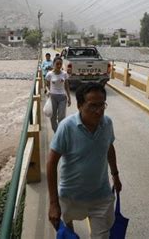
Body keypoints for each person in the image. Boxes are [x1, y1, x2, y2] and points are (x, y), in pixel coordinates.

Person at [47, 82, 122, 239]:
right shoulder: (66, 127)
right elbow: (51, 162)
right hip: (70, 196)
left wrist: (115, 175)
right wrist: (54, 203)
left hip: (101, 196)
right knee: (68, 229)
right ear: (80, 105)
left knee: (102, 236)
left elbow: (109, 147)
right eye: (93, 106)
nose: (99, 110)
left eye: (102, 105)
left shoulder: (107, 123)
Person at [45, 56, 71, 132]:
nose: (59, 66)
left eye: (60, 64)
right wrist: (48, 91)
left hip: (62, 98)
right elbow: (46, 85)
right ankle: (56, 132)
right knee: (52, 118)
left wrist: (69, 98)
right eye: (57, 64)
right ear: (53, 64)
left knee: (61, 117)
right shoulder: (49, 74)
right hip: (53, 97)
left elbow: (67, 86)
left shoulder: (64, 74)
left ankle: (61, 132)